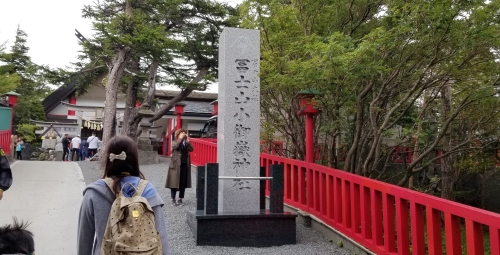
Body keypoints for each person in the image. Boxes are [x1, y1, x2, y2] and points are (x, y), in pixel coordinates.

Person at [77, 135, 170, 255]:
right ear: (134, 159)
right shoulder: (148, 190)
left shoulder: (94, 193)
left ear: (108, 159)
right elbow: (161, 236)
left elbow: (84, 240)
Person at [165, 128, 193, 206]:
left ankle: (180, 199)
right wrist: (180, 138)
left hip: (184, 165)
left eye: (184, 133)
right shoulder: (174, 142)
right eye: (182, 133)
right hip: (175, 165)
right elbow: (176, 147)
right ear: (178, 134)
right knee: (174, 182)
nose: (184, 134)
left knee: (183, 182)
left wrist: (188, 141)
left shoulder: (186, 143)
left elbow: (192, 149)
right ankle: (173, 199)